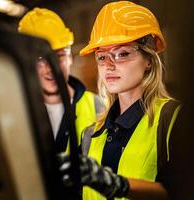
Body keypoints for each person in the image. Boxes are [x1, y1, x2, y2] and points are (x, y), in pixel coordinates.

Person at [58, 1, 181, 199]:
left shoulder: (174, 120)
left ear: (148, 60)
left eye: (122, 54)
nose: (109, 65)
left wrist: (116, 184)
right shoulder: (90, 135)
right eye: (102, 57)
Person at [18, 8, 104, 153]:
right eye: (40, 59)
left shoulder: (100, 108)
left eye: (59, 56)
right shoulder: (14, 110)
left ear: (70, 57)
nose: (51, 68)